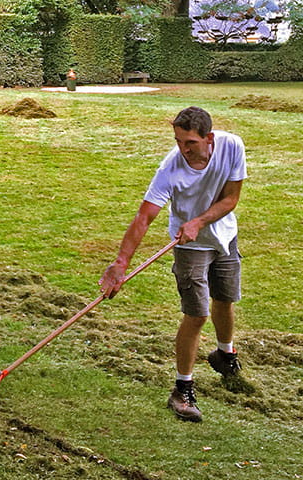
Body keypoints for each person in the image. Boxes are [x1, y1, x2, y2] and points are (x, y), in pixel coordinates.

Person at [98, 106, 247, 422]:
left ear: (209, 138)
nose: (183, 148)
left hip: (224, 236)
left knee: (225, 300)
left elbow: (231, 198)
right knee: (196, 314)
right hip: (188, 245)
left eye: (190, 142)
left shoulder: (232, 146)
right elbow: (144, 216)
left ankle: (225, 355)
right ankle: (182, 390)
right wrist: (120, 263)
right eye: (178, 141)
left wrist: (200, 220)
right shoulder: (171, 167)